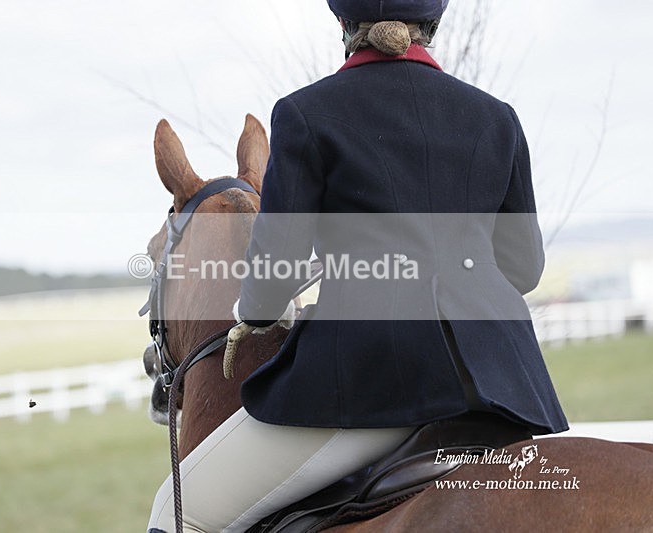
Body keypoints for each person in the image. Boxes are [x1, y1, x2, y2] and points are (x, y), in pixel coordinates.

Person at [148, 1, 568, 531]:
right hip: (506, 384)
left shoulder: (304, 115)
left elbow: (271, 284)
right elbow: (524, 268)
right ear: (433, 26)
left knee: (179, 510)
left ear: (345, 27)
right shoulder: (496, 118)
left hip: (370, 386)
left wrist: (252, 311)